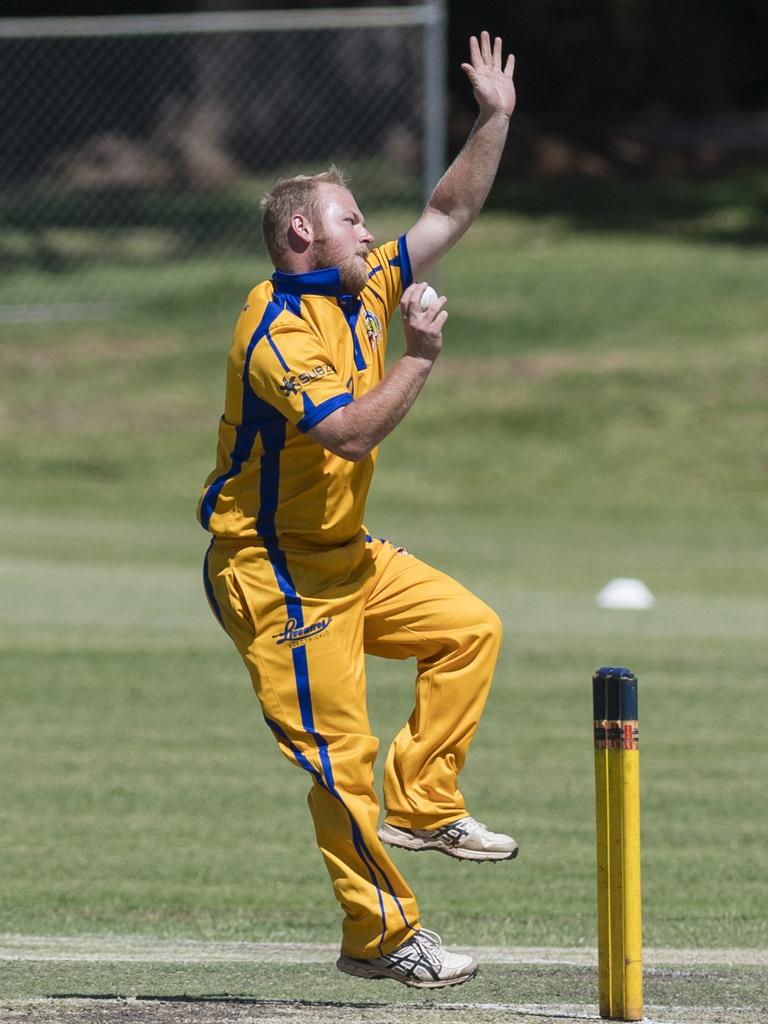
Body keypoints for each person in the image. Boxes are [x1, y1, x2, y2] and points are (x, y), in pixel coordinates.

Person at [198, 32, 517, 989]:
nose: (370, 232)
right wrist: (420, 356)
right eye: (350, 218)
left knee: (469, 630)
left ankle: (425, 803)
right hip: (274, 568)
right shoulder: (275, 331)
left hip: (346, 551)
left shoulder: (364, 283)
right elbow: (345, 437)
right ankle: (383, 936)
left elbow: (450, 206)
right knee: (340, 760)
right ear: (303, 234)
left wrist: (495, 119)